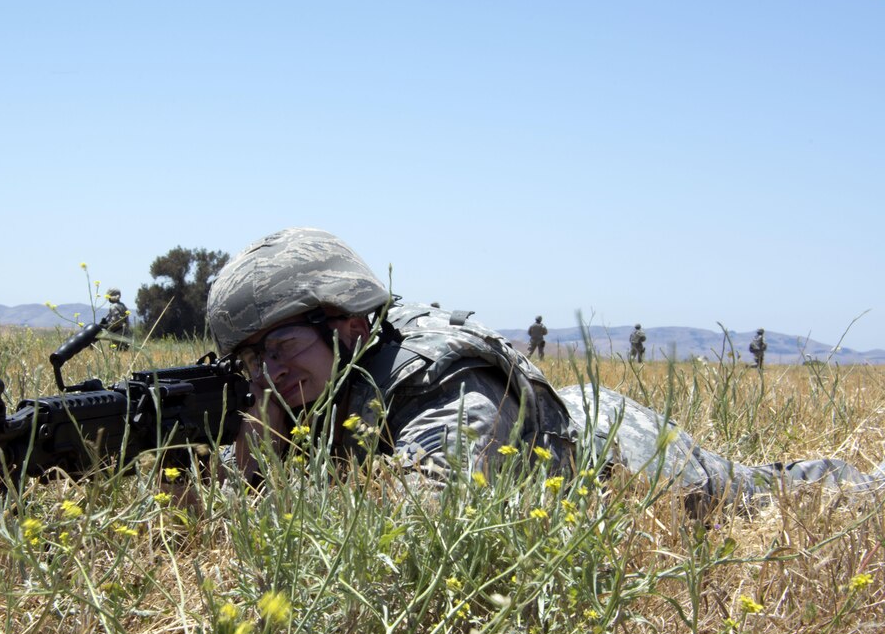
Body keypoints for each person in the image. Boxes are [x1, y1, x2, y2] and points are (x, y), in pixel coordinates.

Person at [206, 228, 883, 512]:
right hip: (552, 425)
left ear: (348, 325)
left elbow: (435, 521)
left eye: (282, 345)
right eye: (249, 356)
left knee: (769, 495)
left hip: (615, 449)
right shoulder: (309, 392)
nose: (266, 370)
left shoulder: (446, 386)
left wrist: (269, 489)